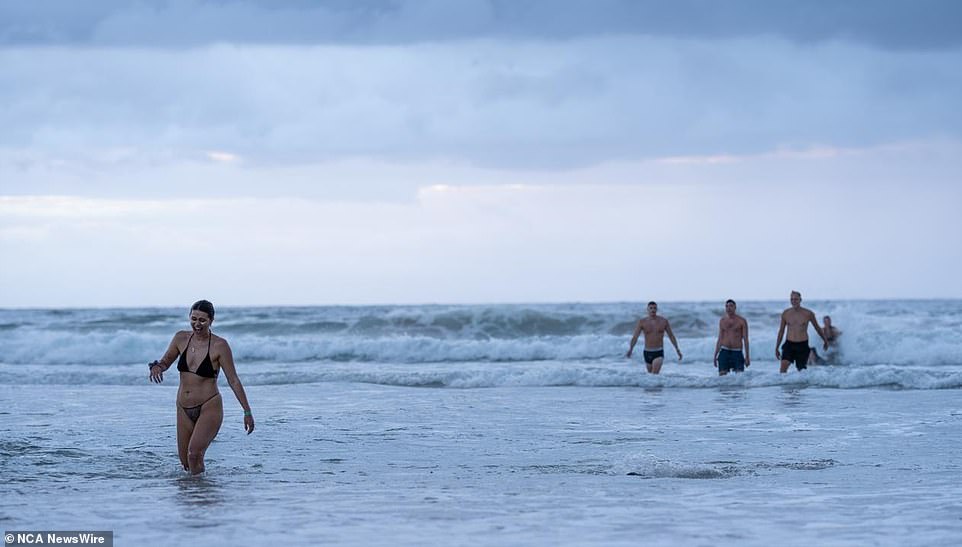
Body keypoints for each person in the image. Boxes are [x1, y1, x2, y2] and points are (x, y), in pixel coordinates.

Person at [148, 300, 254, 474]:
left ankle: (203, 497)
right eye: (193, 319)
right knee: (185, 462)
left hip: (209, 406)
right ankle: (198, 494)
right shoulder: (180, 338)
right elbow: (165, 361)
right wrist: (157, 367)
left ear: (211, 321)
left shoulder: (220, 345)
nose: (197, 324)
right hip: (183, 407)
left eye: (202, 320)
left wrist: (247, 411)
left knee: (194, 454)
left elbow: (233, 380)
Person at [775, 291, 827, 373]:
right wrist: (777, 347)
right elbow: (781, 331)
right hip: (789, 344)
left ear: (800, 300)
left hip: (802, 345)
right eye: (791, 299)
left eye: (796, 299)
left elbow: (817, 328)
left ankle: (801, 385)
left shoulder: (808, 313)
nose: (793, 301)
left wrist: (825, 340)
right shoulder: (786, 313)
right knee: (783, 366)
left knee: (801, 370)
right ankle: (784, 385)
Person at [625, 301, 683, 374]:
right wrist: (630, 349)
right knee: (651, 377)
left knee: (654, 375)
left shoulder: (663, 321)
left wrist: (677, 350)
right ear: (647, 309)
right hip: (647, 352)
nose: (653, 310)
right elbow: (635, 337)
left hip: (658, 352)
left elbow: (671, 336)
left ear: (657, 309)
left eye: (654, 308)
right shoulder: (642, 322)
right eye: (651, 308)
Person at [713, 299, 750, 376]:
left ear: (735, 307)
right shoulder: (722, 321)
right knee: (722, 379)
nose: (728, 308)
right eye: (726, 306)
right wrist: (715, 355)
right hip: (724, 352)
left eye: (731, 306)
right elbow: (720, 339)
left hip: (737, 352)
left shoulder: (742, 321)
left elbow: (746, 340)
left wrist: (747, 356)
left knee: (739, 379)